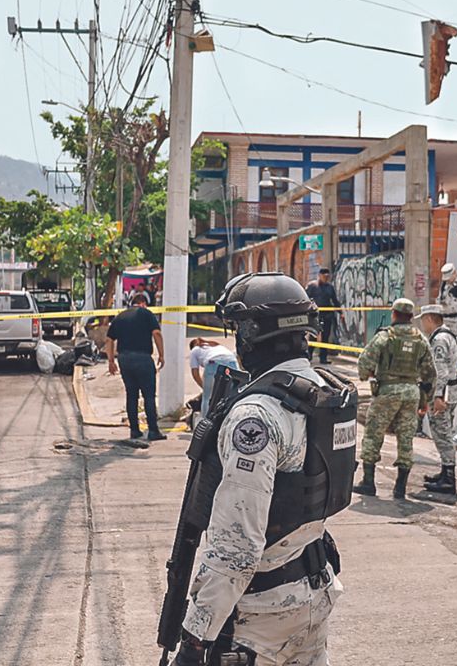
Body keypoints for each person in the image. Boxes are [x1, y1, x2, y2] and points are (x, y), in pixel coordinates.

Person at [174, 272, 356, 665]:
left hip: (261, 614)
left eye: (237, 328)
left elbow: (238, 542)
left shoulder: (255, 415)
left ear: (250, 334)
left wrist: (194, 636)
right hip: (313, 590)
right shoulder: (325, 392)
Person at [354, 298, 436, 499]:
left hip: (388, 392)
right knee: (406, 438)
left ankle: (368, 482)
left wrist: (367, 374)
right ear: (410, 316)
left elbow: (365, 360)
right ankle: (400, 488)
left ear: (394, 314)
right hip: (411, 393)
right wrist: (426, 400)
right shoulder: (420, 339)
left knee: (374, 433)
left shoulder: (385, 337)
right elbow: (430, 373)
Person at [106, 291, 166, 441]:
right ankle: (153, 431)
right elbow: (157, 333)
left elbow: (109, 339)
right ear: (143, 303)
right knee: (148, 396)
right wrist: (161, 354)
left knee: (131, 395)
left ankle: (134, 430)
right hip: (143, 358)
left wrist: (111, 361)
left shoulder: (120, 316)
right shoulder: (146, 314)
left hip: (124, 359)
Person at [417, 304, 457, 495]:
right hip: (450, 391)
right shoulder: (448, 335)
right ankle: (445, 472)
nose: (422, 324)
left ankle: (448, 480)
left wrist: (437, 396)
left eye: (423, 320)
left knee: (443, 435)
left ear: (429, 318)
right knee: (444, 433)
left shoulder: (439, 340)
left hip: (443, 394)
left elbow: (440, 372)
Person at [189, 336, 238, 417]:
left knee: (208, 397)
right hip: (231, 360)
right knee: (232, 394)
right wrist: (206, 341)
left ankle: (205, 422)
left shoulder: (195, 350)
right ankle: (232, 417)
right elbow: (216, 343)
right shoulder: (217, 347)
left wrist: (204, 387)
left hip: (214, 362)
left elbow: (195, 373)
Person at [306, 267, 342, 364]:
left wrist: (341, 312)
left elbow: (334, 300)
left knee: (325, 336)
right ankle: (308, 355)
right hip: (315, 315)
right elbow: (306, 299)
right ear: (320, 276)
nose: (326, 278)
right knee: (313, 335)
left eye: (327, 276)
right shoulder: (312, 286)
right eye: (324, 276)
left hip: (327, 315)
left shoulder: (330, 287)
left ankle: (323, 358)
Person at [438, 262, 457, 333]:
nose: (448, 280)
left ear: (454, 273)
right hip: (444, 319)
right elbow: (439, 298)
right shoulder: (444, 285)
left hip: (456, 320)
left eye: (449, 278)